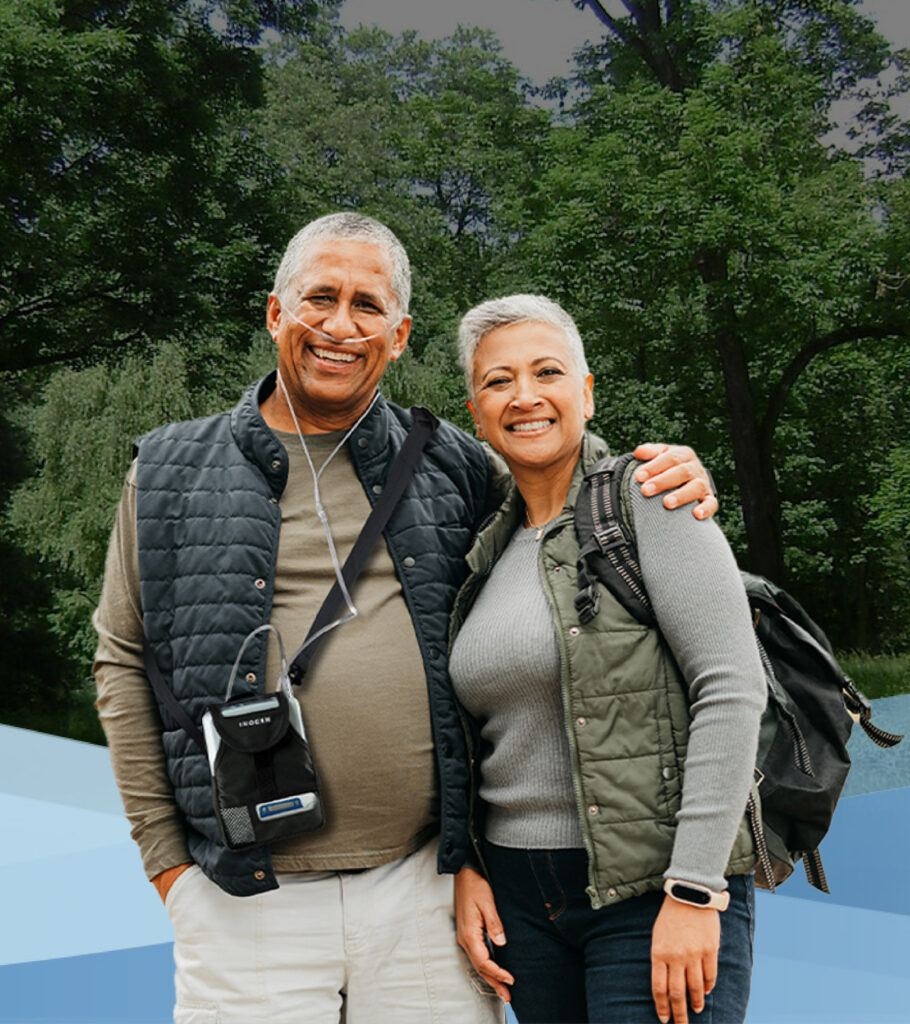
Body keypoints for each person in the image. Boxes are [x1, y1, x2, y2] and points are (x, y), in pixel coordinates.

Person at [93, 214, 716, 1024]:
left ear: (399, 334)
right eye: (320, 298)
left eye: (368, 305)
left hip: (426, 890)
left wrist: (654, 473)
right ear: (277, 314)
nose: (341, 326)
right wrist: (167, 867)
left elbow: (554, 488)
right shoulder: (168, 468)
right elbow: (120, 660)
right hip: (245, 895)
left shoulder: (454, 463)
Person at [450, 294, 767, 1024]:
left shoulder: (647, 499)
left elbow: (729, 688)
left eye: (546, 372)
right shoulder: (482, 547)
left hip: (651, 889)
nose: (524, 396)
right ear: (476, 412)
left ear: (585, 393)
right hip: (522, 906)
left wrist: (694, 888)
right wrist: (467, 861)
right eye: (498, 382)